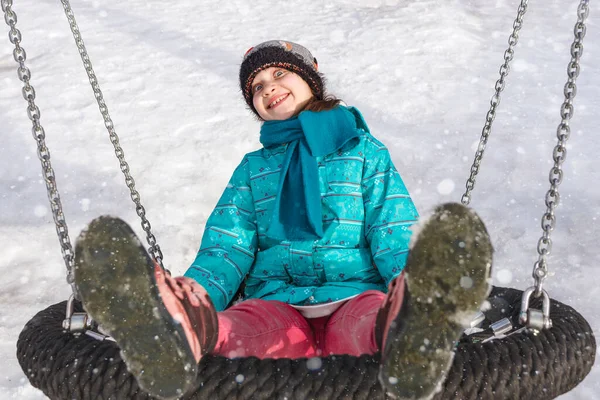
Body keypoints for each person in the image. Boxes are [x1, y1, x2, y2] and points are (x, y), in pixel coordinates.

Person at [73, 40, 493, 400]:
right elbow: (227, 248)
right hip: (275, 301)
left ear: (311, 78)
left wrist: (412, 282)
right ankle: (175, 330)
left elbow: (391, 231)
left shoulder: (362, 151)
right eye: (256, 86)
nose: (268, 86)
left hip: (352, 295)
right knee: (234, 330)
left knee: (371, 324)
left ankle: (415, 326)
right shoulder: (253, 169)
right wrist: (197, 292)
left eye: (279, 73)